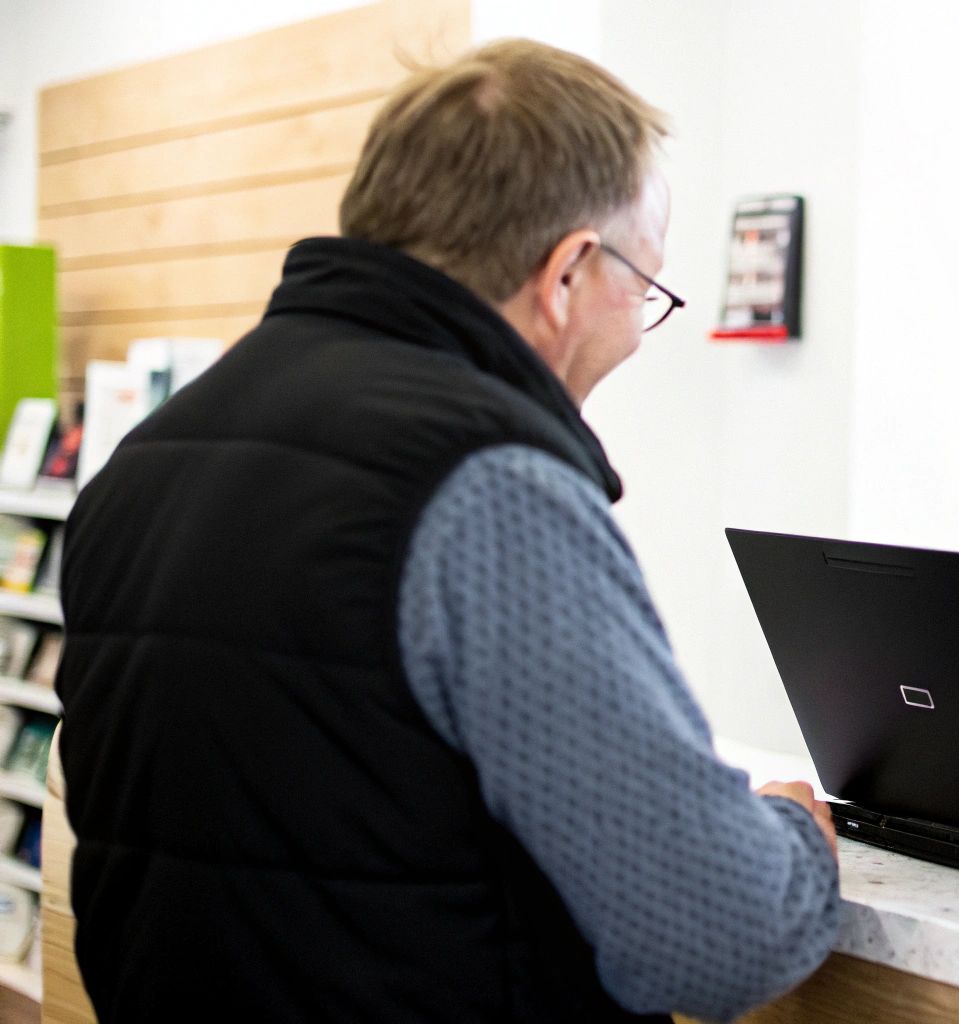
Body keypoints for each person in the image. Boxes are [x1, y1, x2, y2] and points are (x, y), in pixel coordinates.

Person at [55, 40, 841, 1021]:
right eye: (644, 291)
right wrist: (787, 840)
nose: (639, 328)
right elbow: (716, 937)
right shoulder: (487, 486)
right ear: (566, 277)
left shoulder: (149, 456)